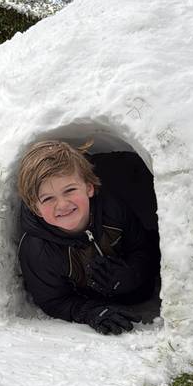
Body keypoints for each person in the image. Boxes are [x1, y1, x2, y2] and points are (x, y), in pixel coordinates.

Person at [16, 140, 159, 334]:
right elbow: (52, 300)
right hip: (87, 296)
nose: (62, 205)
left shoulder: (112, 211)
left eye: (70, 190)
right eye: (48, 198)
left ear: (89, 187)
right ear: (36, 208)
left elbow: (143, 247)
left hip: (135, 287)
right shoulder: (37, 248)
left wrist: (131, 275)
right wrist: (90, 311)